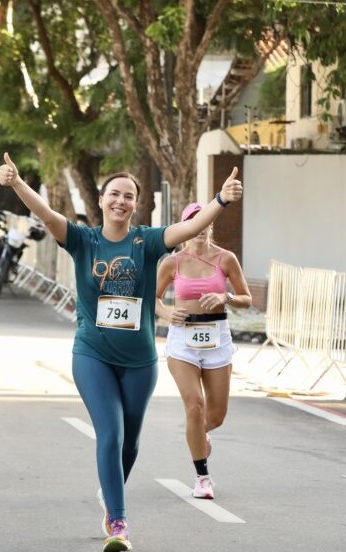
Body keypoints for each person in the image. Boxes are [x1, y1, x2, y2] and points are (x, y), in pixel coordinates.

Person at [0, 152, 242, 552]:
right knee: (109, 433)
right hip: (92, 353)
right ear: (102, 200)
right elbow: (46, 213)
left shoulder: (146, 241)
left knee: (129, 442)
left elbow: (192, 225)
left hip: (139, 361)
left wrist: (222, 198)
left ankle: (110, 495)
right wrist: (17, 182)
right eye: (114, 194)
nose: (121, 201)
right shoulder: (83, 240)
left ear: (135, 204)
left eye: (129, 196)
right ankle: (119, 521)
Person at [154, 202, 251, 500]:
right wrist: (168, 314)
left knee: (216, 415)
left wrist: (227, 296)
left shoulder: (226, 259)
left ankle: (198, 434)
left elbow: (246, 298)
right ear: (185, 228)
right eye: (192, 223)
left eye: (204, 222)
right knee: (194, 405)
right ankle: (202, 477)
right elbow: (152, 300)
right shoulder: (173, 262)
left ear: (210, 225)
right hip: (183, 340)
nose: (199, 228)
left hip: (217, 338)